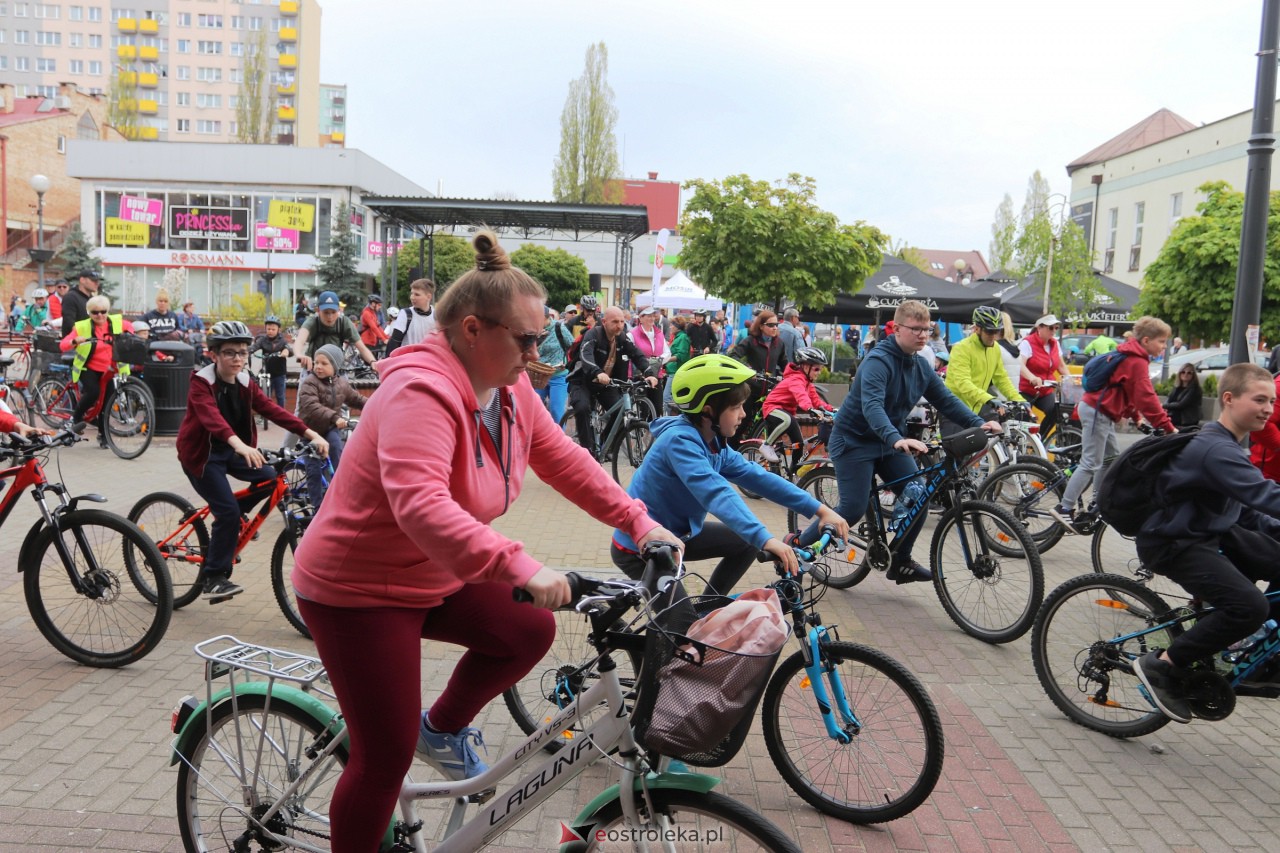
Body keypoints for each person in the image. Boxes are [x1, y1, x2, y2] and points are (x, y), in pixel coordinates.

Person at [288, 230, 678, 851]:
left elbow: (562, 458)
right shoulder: (421, 391)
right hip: (358, 588)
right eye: (525, 338)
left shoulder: (510, 387)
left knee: (527, 631)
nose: (538, 349)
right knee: (382, 757)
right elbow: (422, 505)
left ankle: (440, 730)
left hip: (434, 572)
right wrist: (520, 565)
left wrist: (638, 520)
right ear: (473, 330)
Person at [795, 300, 1001, 583]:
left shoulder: (920, 364)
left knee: (919, 495)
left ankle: (900, 560)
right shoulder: (878, 361)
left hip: (888, 442)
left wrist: (979, 423)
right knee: (852, 510)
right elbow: (873, 407)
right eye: (916, 329)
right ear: (897, 328)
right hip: (854, 441)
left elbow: (946, 400)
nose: (922, 335)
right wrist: (896, 438)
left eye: (926, 330)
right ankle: (796, 547)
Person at [613, 353, 848, 595]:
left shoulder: (714, 443)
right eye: (735, 407)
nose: (743, 414)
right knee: (678, 625)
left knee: (746, 542)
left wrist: (820, 510)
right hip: (641, 545)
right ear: (708, 411)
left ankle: (709, 607)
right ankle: (682, 626)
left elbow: (759, 477)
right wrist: (766, 539)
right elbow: (717, 494)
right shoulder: (679, 442)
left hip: (680, 534)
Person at [1132, 363, 1280, 723]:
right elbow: (1266, 495)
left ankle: (1254, 653)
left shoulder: (1230, 446)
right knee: (1250, 606)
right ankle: (1163, 665)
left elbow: (1248, 513)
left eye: (1272, 402)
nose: (1268, 409)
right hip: (1175, 542)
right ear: (1228, 399)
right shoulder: (1217, 450)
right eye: (1259, 399)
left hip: (1208, 532)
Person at [177, 321, 328, 602]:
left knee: (272, 479)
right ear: (214, 355)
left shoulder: (246, 382)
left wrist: (310, 433)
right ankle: (214, 577)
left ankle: (235, 517)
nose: (237, 358)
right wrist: (240, 445)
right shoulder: (202, 383)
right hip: (202, 455)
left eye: (243, 352)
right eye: (230, 352)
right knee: (227, 513)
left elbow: (272, 409)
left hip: (235, 450)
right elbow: (212, 419)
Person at [1052, 316, 1176, 526]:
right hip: (1096, 412)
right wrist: (1168, 427)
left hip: (1101, 412)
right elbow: (1147, 397)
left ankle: (1096, 503)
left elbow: (1125, 392)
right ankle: (1064, 507)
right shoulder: (1135, 360)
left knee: (1110, 458)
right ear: (1146, 340)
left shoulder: (1131, 356)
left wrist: (1136, 417)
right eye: (1162, 341)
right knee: (1091, 462)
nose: (1164, 347)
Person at [567, 305, 659, 458]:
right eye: (615, 322)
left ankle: (604, 444)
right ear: (604, 321)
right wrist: (597, 372)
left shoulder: (621, 338)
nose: (619, 326)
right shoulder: (593, 335)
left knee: (619, 412)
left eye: (622, 322)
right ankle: (586, 453)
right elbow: (586, 355)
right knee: (582, 408)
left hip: (605, 384)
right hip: (583, 380)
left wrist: (648, 373)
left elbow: (637, 355)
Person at [59, 294, 135, 448]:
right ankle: (77, 417)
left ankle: (104, 435)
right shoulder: (82, 326)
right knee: (94, 392)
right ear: (89, 312)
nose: (99, 315)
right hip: (89, 368)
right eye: (95, 312)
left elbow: (131, 327)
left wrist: (129, 336)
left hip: (110, 370)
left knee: (106, 403)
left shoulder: (116, 322)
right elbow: (63, 345)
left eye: (103, 311)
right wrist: (74, 341)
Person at [297, 344, 366, 509]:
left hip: (328, 429)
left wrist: (378, 404)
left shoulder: (341, 383)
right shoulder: (309, 383)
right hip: (310, 433)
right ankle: (317, 508)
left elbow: (356, 399)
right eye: (316, 362)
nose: (318, 367)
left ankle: (339, 493)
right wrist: (335, 417)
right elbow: (312, 406)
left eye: (324, 363)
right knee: (313, 470)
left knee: (337, 451)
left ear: (335, 366)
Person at [944, 306, 1025, 433]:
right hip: (954, 409)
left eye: (996, 331)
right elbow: (963, 383)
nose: (993, 336)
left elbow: (1001, 378)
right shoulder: (961, 348)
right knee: (959, 452)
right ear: (977, 329)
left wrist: (1018, 399)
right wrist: (989, 399)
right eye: (989, 332)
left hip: (976, 407)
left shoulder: (996, 348)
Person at [761, 347, 836, 475]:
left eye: (821, 369)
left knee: (799, 444)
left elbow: (816, 401)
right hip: (772, 408)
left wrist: (832, 409)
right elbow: (802, 397)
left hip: (787, 413)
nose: (819, 372)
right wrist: (810, 409)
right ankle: (766, 445)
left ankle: (793, 473)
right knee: (788, 420)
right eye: (816, 369)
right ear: (806, 367)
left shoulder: (808, 383)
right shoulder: (796, 379)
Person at [729, 309, 785, 442]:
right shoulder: (750, 341)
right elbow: (733, 355)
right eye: (771, 325)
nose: (774, 328)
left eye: (776, 325)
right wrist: (748, 370)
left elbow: (785, 364)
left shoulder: (779, 344)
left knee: (772, 424)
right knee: (742, 422)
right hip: (750, 389)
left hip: (769, 391)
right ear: (761, 326)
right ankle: (733, 449)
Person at [1017, 314, 1074, 441]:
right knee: (1024, 420)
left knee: (1057, 410)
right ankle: (1022, 448)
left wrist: (1071, 380)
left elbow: (1061, 366)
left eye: (1056, 328)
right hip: (1027, 390)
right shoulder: (1027, 343)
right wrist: (1032, 377)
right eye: (1050, 328)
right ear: (1039, 328)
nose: (1054, 331)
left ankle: (1039, 441)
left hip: (1045, 390)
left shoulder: (1055, 344)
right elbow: (1020, 365)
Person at [293, 290, 378, 373]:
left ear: (338, 310)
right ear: (318, 311)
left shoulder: (344, 322)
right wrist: (299, 355)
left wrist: (372, 361)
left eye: (333, 312)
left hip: (336, 370)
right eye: (326, 312)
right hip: (313, 369)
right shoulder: (313, 322)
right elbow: (300, 340)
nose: (330, 316)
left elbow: (361, 347)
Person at [630, 306, 668, 419]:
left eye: (653, 315)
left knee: (657, 408)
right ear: (640, 318)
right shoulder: (632, 334)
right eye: (648, 316)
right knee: (644, 409)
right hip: (640, 376)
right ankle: (641, 429)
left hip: (656, 375)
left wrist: (657, 360)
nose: (651, 318)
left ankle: (652, 434)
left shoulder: (659, 333)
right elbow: (629, 353)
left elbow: (667, 352)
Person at [535, 305, 571, 424]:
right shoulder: (534, 330)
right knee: (534, 410)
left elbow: (572, 345)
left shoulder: (558, 327)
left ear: (547, 318)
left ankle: (560, 439)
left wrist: (565, 362)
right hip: (539, 376)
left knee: (556, 411)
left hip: (558, 375)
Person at [385, 278, 438, 357]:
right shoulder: (406, 314)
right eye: (412, 293)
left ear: (429, 297)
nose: (412, 297)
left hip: (428, 364)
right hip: (407, 364)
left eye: (417, 294)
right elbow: (394, 342)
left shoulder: (436, 315)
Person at [249, 316, 292, 411]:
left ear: (278, 330)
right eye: (268, 329)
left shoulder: (282, 341)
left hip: (280, 373)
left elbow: (288, 348)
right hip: (267, 372)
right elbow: (254, 347)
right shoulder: (263, 340)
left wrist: (286, 351)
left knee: (280, 396)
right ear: (265, 329)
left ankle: (282, 415)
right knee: (265, 395)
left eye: (273, 329)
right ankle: (265, 415)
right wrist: (248, 351)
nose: (270, 331)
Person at [662, 315, 692, 414]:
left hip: (676, 372)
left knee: (667, 398)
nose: (670, 327)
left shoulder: (682, 337)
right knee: (671, 399)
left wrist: (665, 360)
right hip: (672, 372)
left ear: (678, 326)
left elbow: (681, 356)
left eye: (672, 325)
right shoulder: (677, 337)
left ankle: (669, 421)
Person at [1164, 364, 1203, 430]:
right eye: (1183, 372)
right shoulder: (1176, 387)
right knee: (1159, 420)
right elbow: (1169, 399)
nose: (1185, 374)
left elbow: (1181, 405)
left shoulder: (1195, 389)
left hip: (1186, 419)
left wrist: (1164, 405)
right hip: (1174, 416)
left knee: (1163, 423)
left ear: (1193, 375)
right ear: (1179, 373)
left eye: (1189, 373)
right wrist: (1164, 406)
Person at [61, 269, 100, 333]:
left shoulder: (92, 299)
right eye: (93, 280)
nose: (97, 284)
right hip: (75, 340)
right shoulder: (71, 297)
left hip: (90, 339)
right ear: (82, 280)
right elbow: (69, 322)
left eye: (98, 281)